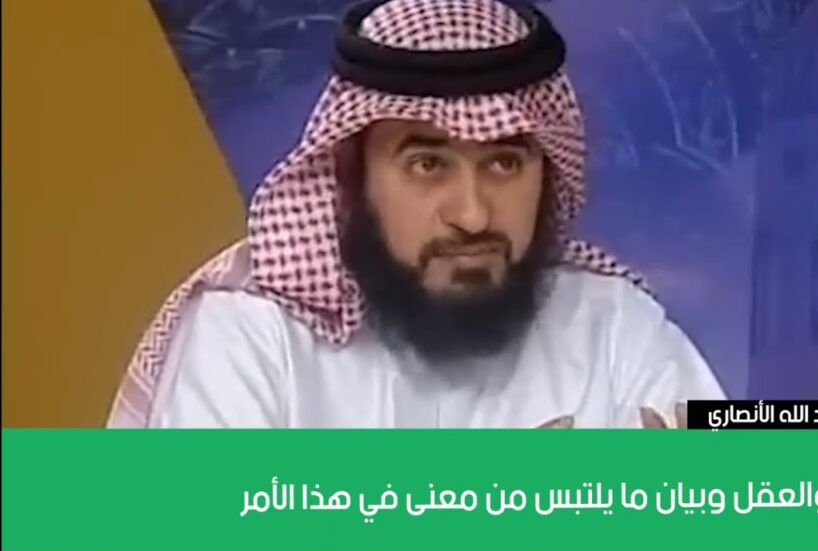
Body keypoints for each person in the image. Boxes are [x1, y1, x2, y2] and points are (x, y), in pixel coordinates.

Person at [106, 0, 725, 429]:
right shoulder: (250, 337)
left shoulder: (614, 326)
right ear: (351, 174)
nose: (472, 215)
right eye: (429, 164)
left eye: (505, 163)